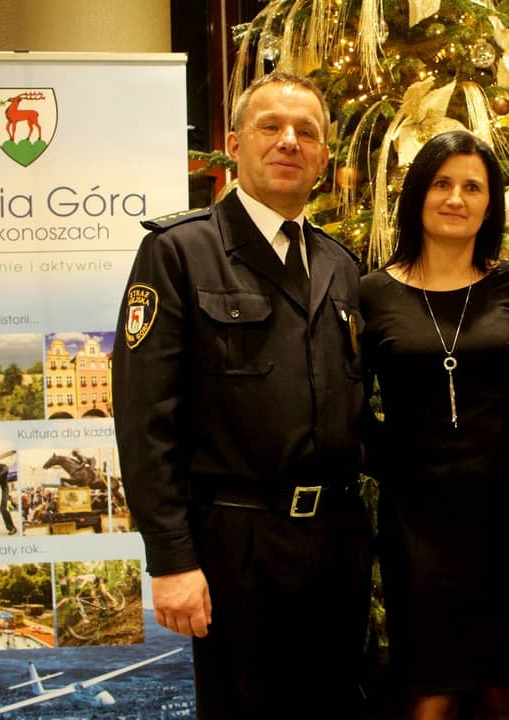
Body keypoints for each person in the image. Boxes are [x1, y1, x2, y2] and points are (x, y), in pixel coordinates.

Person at [112, 71, 372, 718]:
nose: (289, 142)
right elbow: (145, 420)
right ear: (234, 144)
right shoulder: (180, 251)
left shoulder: (340, 265)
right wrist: (171, 559)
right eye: (270, 127)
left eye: (306, 132)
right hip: (236, 543)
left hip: (336, 543)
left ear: (323, 156)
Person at [360, 129, 509, 720]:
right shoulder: (371, 294)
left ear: (490, 204)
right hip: (418, 521)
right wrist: (393, 460)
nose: (455, 198)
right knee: (430, 687)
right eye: (442, 183)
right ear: (418, 192)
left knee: (506, 689)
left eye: (473, 187)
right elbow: (344, 402)